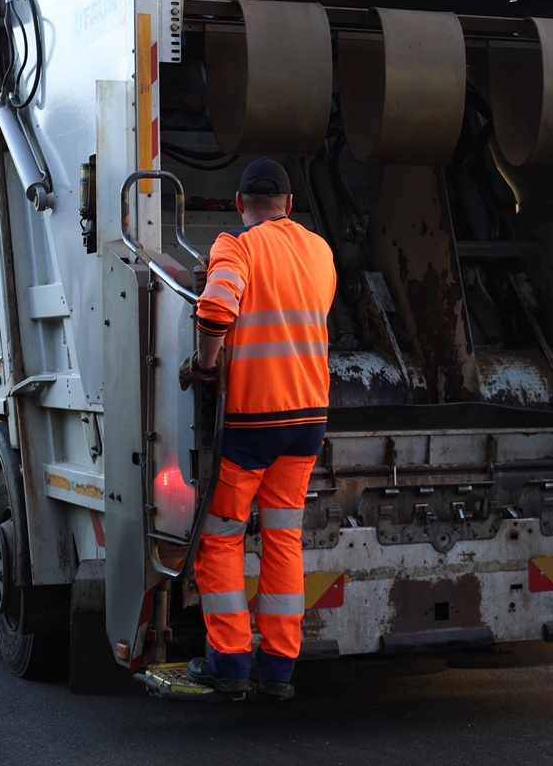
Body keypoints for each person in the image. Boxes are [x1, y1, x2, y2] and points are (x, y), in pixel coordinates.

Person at [179, 158, 336, 700]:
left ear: (239, 203)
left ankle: (228, 661)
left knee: (220, 541)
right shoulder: (320, 250)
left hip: (252, 424)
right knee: (282, 538)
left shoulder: (237, 246)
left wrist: (203, 364)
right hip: (309, 421)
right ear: (290, 205)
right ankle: (277, 671)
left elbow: (216, 308)